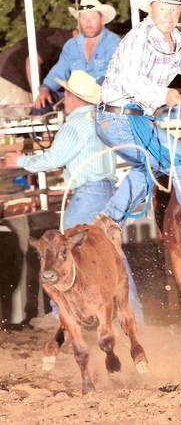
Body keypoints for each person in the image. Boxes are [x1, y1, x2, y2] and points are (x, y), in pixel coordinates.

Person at [94, 0, 181, 256]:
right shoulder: (138, 38)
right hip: (119, 120)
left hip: (134, 121)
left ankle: (110, 219)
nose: (169, 15)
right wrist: (163, 94)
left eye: (174, 10)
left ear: (180, 13)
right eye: (163, 9)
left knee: (151, 166)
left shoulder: (177, 41)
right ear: (151, 9)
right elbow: (131, 81)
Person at [2, 70, 143, 321]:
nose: (63, 99)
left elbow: (54, 159)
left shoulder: (75, 124)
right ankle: (132, 315)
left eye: (65, 94)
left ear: (72, 96)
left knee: (59, 251)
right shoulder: (101, 120)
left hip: (87, 196)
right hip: (108, 194)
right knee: (112, 256)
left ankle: (62, 315)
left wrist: (20, 160)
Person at [33, 0, 120, 112]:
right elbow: (59, 71)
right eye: (83, 18)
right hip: (74, 97)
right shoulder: (71, 45)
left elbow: (118, 76)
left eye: (92, 17)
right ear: (79, 20)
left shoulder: (114, 42)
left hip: (102, 99)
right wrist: (45, 88)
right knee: (40, 107)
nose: (88, 22)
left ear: (102, 19)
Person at [0, 28, 72, 119]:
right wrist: (38, 93)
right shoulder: (61, 38)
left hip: (9, 76)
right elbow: (31, 61)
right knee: (17, 126)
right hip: (11, 79)